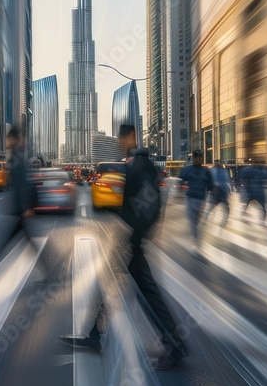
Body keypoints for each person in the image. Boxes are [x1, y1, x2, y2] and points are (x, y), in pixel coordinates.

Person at [61, 124, 188, 370]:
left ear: (131, 136)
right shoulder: (138, 165)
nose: (120, 142)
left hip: (131, 241)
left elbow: (150, 206)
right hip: (129, 239)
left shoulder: (141, 166)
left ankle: (175, 344)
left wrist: (135, 237)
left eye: (122, 138)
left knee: (146, 294)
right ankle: (96, 335)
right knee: (118, 286)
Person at [5, 127, 37, 240]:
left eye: (8, 138)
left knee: (9, 239)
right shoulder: (17, 156)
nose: (6, 141)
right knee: (24, 238)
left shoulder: (17, 159)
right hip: (19, 208)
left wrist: (27, 207)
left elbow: (22, 184)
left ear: (13, 140)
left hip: (20, 208)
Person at [179, 151, 211, 250]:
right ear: (194, 158)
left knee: (197, 222)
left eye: (201, 157)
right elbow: (180, 179)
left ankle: (196, 238)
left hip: (201, 200)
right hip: (191, 198)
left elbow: (211, 185)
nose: (199, 160)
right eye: (198, 157)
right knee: (193, 221)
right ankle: (196, 242)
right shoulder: (188, 169)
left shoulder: (205, 170)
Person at [208, 160, 232, 226]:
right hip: (223, 191)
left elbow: (209, 181)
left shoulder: (211, 170)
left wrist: (209, 189)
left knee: (211, 207)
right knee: (226, 209)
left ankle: (205, 218)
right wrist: (229, 191)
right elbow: (228, 181)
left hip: (215, 191)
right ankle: (224, 222)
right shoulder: (224, 171)